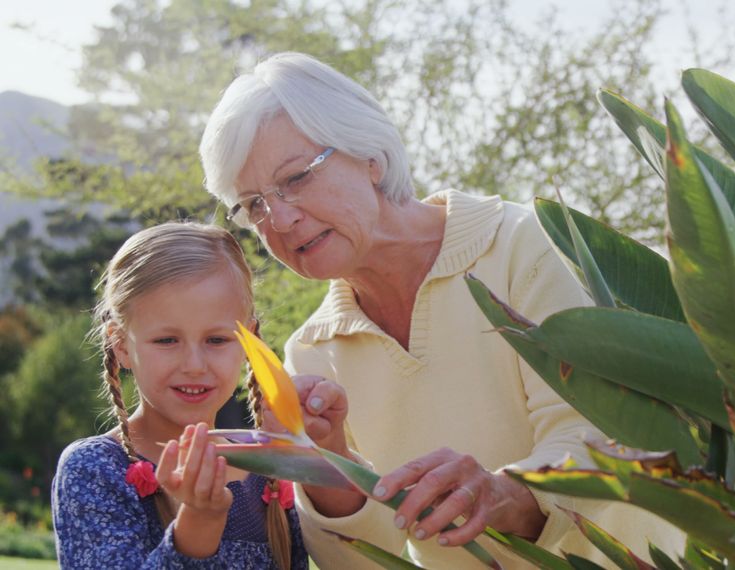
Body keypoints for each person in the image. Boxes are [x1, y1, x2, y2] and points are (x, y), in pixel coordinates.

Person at [199, 52, 682, 568]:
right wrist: (333, 464)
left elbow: (601, 434)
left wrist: (507, 496)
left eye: (295, 178)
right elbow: (357, 561)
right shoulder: (311, 352)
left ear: (370, 156)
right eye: (254, 205)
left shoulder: (527, 248)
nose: (281, 219)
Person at [51, 222, 308, 569]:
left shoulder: (271, 468)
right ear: (121, 344)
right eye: (167, 341)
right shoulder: (96, 469)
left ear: (250, 340)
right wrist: (197, 526)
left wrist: (320, 448)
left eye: (216, 340)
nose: (194, 365)